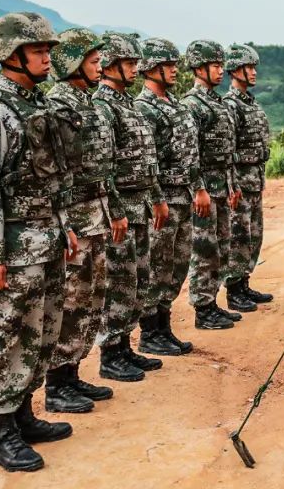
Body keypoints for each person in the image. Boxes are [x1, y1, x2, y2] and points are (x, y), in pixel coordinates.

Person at [0, 12, 76, 472]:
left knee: (43, 330)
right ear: (11, 56)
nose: (48, 58)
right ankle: (1, 430)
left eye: (49, 50)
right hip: (13, 247)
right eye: (38, 51)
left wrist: (64, 224)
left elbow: (55, 177)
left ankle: (25, 412)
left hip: (46, 239)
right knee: (9, 333)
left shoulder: (38, 105)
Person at [43, 28, 127, 413]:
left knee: (92, 297)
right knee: (72, 300)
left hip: (96, 214)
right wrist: (65, 225)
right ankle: (57, 383)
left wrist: (113, 210)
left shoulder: (88, 103)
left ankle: (73, 372)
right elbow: (56, 174)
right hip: (76, 218)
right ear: (72, 64)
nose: (99, 68)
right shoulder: (60, 106)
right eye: (93, 62)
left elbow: (103, 166)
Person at [92, 33, 168, 379]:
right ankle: (110, 354)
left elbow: (146, 160)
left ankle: (124, 346)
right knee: (119, 282)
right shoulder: (103, 106)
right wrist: (115, 211)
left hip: (140, 206)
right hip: (121, 209)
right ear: (109, 66)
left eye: (137, 63)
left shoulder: (127, 105)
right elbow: (102, 165)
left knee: (138, 279)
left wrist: (156, 198)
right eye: (129, 63)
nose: (136, 69)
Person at [135, 38, 200, 351]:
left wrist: (197, 187)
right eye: (167, 65)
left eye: (175, 64)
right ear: (149, 68)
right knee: (157, 265)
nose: (174, 70)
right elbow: (147, 163)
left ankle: (164, 326)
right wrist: (156, 199)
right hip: (162, 201)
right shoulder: (143, 109)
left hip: (183, 196)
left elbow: (191, 153)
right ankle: (150, 334)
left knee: (177, 264)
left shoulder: (175, 105)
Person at [181, 39, 242, 329]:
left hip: (221, 186)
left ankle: (212, 302)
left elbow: (226, 152)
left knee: (220, 247)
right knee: (204, 250)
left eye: (221, 65)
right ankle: (202, 308)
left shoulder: (217, 103)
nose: (221, 71)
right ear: (199, 68)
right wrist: (198, 189)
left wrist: (231, 185)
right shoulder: (192, 105)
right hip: (205, 189)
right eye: (215, 66)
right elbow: (189, 153)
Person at [222, 43, 274, 307]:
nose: (253, 73)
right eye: (248, 68)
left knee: (253, 235)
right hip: (240, 182)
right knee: (238, 236)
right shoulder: (230, 105)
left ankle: (244, 283)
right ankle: (233, 289)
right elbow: (228, 150)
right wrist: (232, 185)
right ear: (234, 71)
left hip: (254, 179)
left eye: (254, 68)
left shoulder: (249, 103)